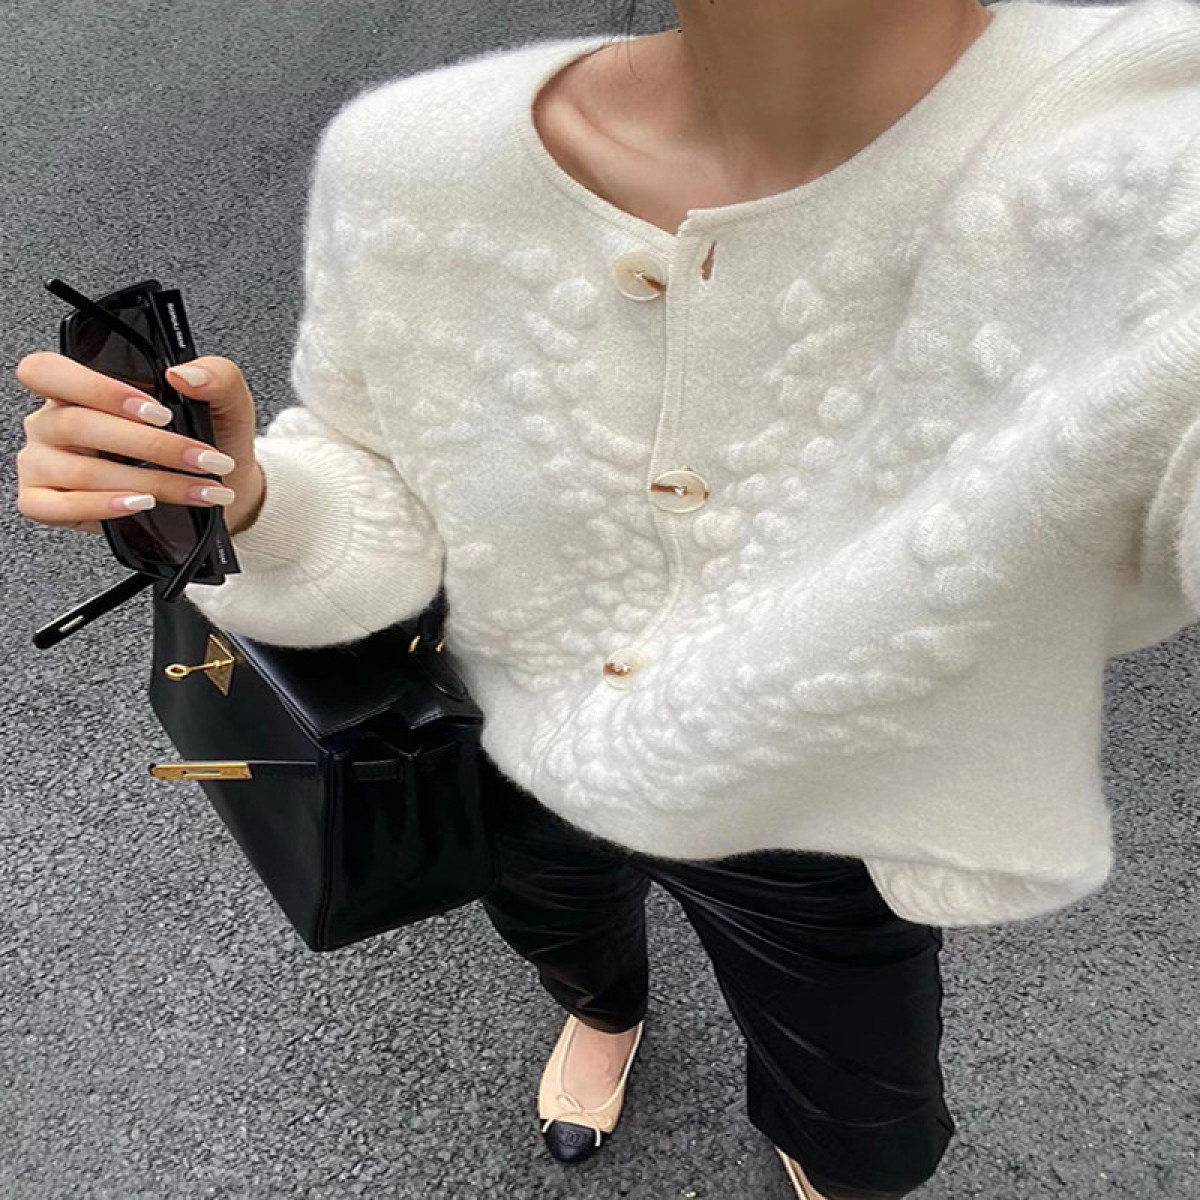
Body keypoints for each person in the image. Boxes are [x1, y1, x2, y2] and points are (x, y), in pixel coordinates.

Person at [14, 0, 1200, 1196]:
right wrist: (255, 495)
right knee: (559, 924)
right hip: (507, 729)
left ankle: (823, 1142)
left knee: (861, 1101)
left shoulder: (1122, 178)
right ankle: (603, 1007)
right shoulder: (418, 158)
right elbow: (386, 477)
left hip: (814, 805)